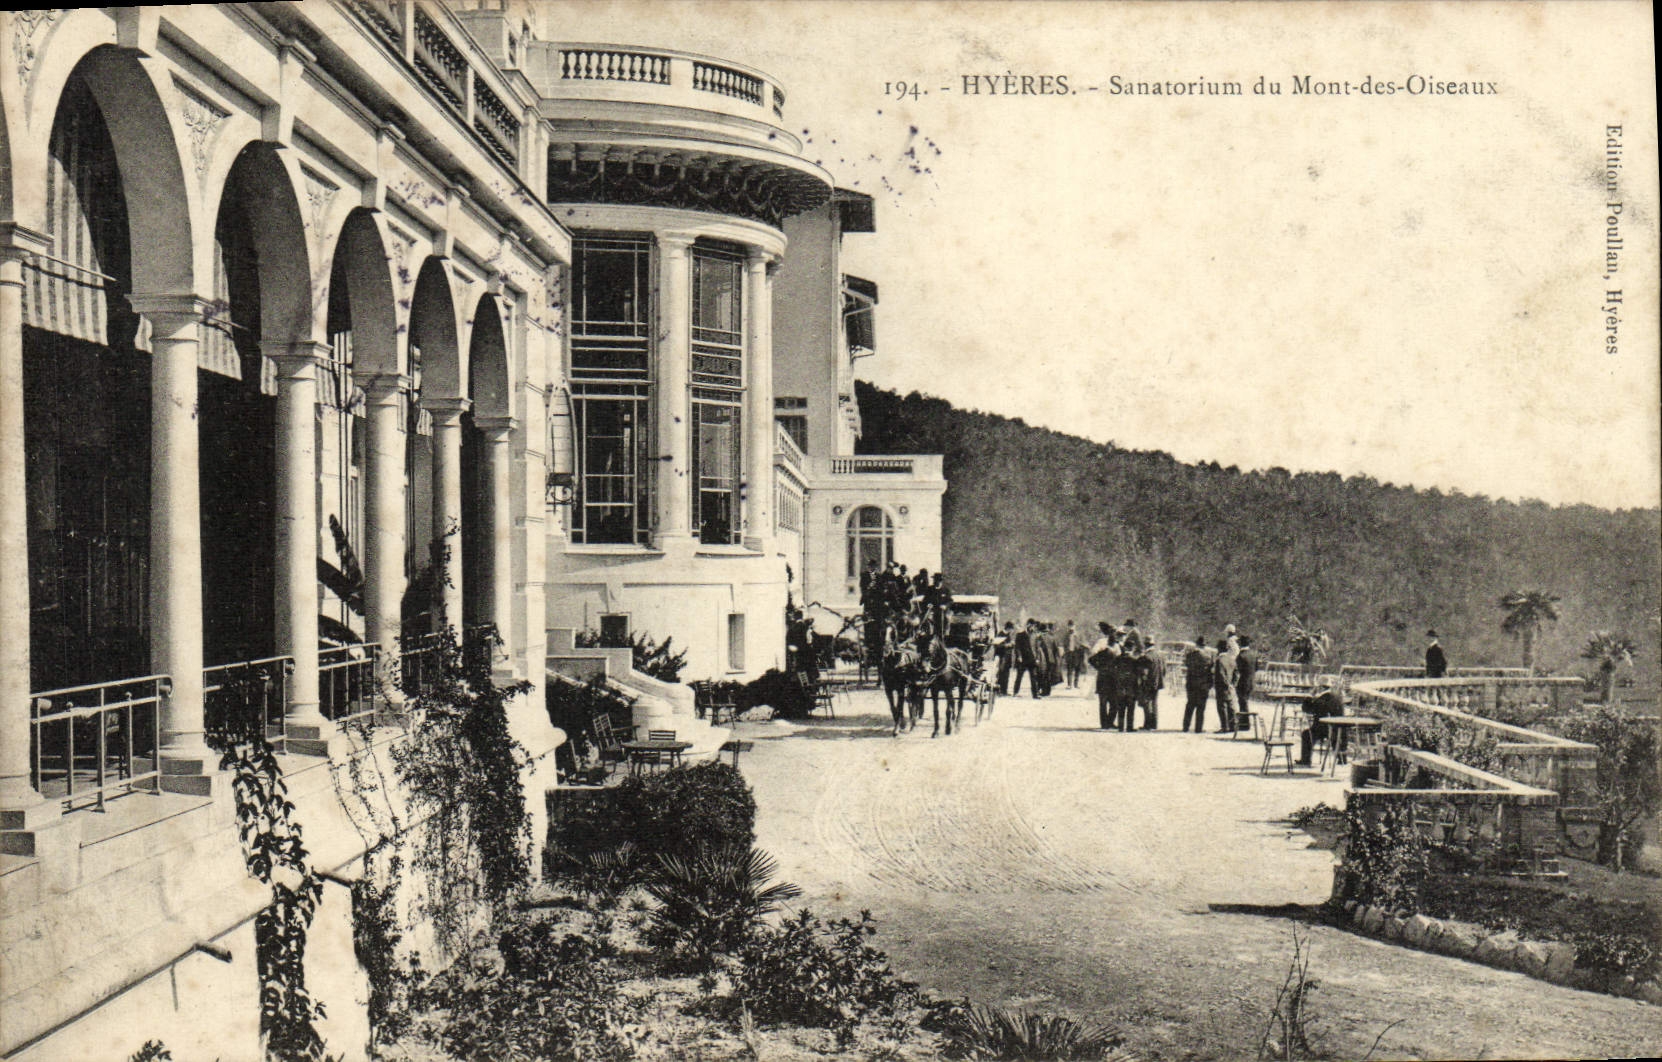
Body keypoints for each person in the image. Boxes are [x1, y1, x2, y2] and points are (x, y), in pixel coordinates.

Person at [1297, 684, 1344, 766]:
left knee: (1306, 734)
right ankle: (1342, 759)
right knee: (1338, 735)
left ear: (1321, 688)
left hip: (1323, 729)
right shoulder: (1337, 698)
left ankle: (1306, 760)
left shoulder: (1321, 699)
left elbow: (1306, 709)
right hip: (1337, 729)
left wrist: (1309, 696)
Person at [1182, 635, 1215, 734]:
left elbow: (1187, 666)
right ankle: (1198, 728)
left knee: (1190, 705)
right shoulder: (1208, 658)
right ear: (1204, 646)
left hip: (1191, 684)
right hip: (1203, 685)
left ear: (1196, 645)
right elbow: (1210, 672)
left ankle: (1186, 726)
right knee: (1201, 707)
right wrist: (1210, 684)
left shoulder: (1190, 656)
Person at [1089, 624, 1120, 729]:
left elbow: (1092, 656)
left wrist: (1099, 666)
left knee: (1108, 701)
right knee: (1109, 701)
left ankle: (1106, 723)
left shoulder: (1116, 644)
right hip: (1109, 676)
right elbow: (1093, 655)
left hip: (1106, 676)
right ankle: (1107, 723)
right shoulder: (1103, 642)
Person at [1135, 641, 1164, 729]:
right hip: (1157, 682)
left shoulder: (1146, 656)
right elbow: (1164, 670)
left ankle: (1147, 724)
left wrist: (1142, 680)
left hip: (1148, 683)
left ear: (1145, 645)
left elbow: (1143, 671)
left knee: (1146, 703)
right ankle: (1154, 724)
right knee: (1154, 703)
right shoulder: (1160, 655)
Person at [1212, 638, 1238, 733]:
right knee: (1231, 706)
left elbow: (1221, 674)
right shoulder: (1231, 659)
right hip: (1231, 687)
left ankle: (1225, 726)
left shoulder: (1219, 660)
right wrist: (1232, 684)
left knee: (1222, 707)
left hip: (1222, 687)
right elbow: (1236, 673)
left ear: (1219, 649)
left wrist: (1226, 684)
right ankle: (1233, 726)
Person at [1234, 634, 1259, 733]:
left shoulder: (1240, 656)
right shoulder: (1254, 654)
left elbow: (1238, 670)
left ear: (1241, 644)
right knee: (1245, 701)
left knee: (1242, 702)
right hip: (1252, 681)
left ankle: (1245, 724)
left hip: (1243, 681)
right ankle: (1244, 724)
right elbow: (1256, 668)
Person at [1012, 620, 1036, 696]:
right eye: (1031, 626)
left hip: (1032, 659)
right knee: (1019, 676)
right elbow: (1017, 647)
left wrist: (1037, 657)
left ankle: (1035, 694)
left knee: (1033, 677)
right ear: (1028, 625)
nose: (1032, 628)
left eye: (1033, 626)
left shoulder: (1034, 635)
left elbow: (1035, 647)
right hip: (1023, 659)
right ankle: (1015, 692)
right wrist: (1019, 656)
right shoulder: (1020, 635)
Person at [994, 621, 1015, 694]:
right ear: (1008, 628)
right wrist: (1007, 645)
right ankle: (999, 690)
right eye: (1011, 629)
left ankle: (1004, 690)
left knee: (1006, 675)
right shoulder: (1000, 634)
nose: (1012, 631)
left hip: (1008, 658)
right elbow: (996, 645)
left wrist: (1012, 644)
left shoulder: (1009, 635)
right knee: (1000, 674)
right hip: (1001, 657)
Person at [1061, 620, 1082, 689]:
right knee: (1069, 668)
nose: (1071, 627)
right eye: (1070, 626)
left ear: (1075, 626)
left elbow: (1081, 643)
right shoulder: (1066, 635)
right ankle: (1069, 684)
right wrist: (1066, 651)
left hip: (1077, 653)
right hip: (1069, 653)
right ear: (1068, 626)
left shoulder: (1078, 634)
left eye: (1072, 626)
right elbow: (1064, 644)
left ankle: (1076, 684)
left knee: (1077, 669)